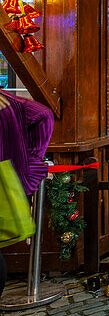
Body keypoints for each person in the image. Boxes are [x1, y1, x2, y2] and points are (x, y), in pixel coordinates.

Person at [0, 90, 53, 297]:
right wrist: (32, 160)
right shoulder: (6, 101)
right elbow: (44, 115)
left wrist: (31, 160)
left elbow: (43, 115)